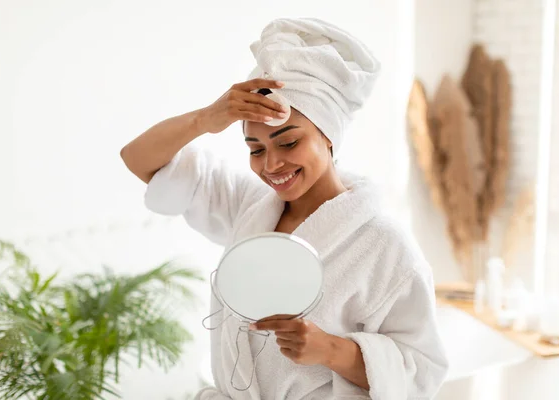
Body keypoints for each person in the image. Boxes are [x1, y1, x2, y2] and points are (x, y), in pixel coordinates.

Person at [121, 17, 448, 400]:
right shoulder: (250, 206)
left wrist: (329, 349)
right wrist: (207, 118)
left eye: (288, 142)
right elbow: (138, 158)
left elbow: (422, 372)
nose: (271, 164)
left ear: (328, 136)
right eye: (256, 150)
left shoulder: (383, 243)